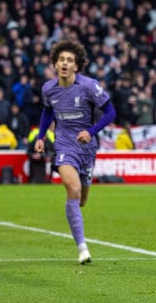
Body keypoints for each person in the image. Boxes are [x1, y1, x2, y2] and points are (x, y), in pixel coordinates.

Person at [34, 39, 116, 265]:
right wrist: (41, 137)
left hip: (87, 148)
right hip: (64, 145)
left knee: (81, 200)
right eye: (61, 59)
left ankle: (77, 222)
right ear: (55, 64)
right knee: (72, 187)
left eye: (69, 60)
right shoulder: (48, 88)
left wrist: (91, 131)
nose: (64, 63)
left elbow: (110, 112)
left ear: (77, 66)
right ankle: (82, 248)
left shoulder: (89, 86)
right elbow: (47, 112)